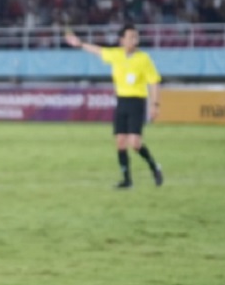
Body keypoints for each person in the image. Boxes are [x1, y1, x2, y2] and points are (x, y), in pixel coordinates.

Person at [65, 24, 164, 188]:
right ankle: (127, 180)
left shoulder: (144, 58)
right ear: (122, 40)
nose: (134, 40)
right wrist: (80, 44)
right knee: (120, 142)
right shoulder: (116, 55)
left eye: (136, 37)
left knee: (135, 143)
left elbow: (154, 82)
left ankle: (155, 167)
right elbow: (98, 50)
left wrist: (155, 104)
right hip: (122, 101)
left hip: (137, 102)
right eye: (130, 37)